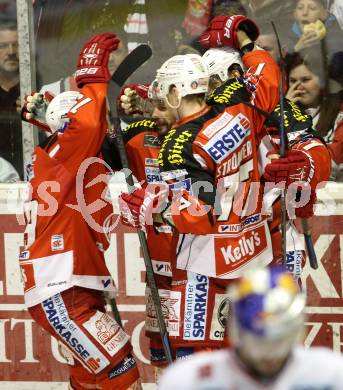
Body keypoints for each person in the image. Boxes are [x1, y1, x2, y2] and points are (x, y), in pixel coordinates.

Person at [119, 14, 330, 357]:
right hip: (223, 245)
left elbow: (314, 147)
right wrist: (146, 104)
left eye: (215, 83)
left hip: (270, 241)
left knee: (263, 350)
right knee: (200, 349)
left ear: (233, 77)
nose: (210, 93)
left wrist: (306, 166)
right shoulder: (227, 110)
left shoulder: (263, 108)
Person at [19, 33, 141, 390]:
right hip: (61, 290)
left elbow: (93, 133)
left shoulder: (61, 157)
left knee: (91, 376)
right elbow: (86, 125)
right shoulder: (66, 154)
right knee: (121, 371)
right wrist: (92, 73)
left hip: (69, 286)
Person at [158, 265, 343, 389]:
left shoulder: (331, 374)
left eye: (277, 341)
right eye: (258, 341)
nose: (267, 354)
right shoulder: (189, 380)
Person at [285, 51, 343, 181]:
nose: (297, 86)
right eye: (292, 81)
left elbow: (331, 162)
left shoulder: (339, 113)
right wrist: (284, 112)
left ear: (322, 81)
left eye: (305, 80)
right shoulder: (281, 112)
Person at [0, 20, 23, 178]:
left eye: (17, 44)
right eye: (3, 46)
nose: (11, 51)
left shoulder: (39, 90)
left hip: (37, 182)